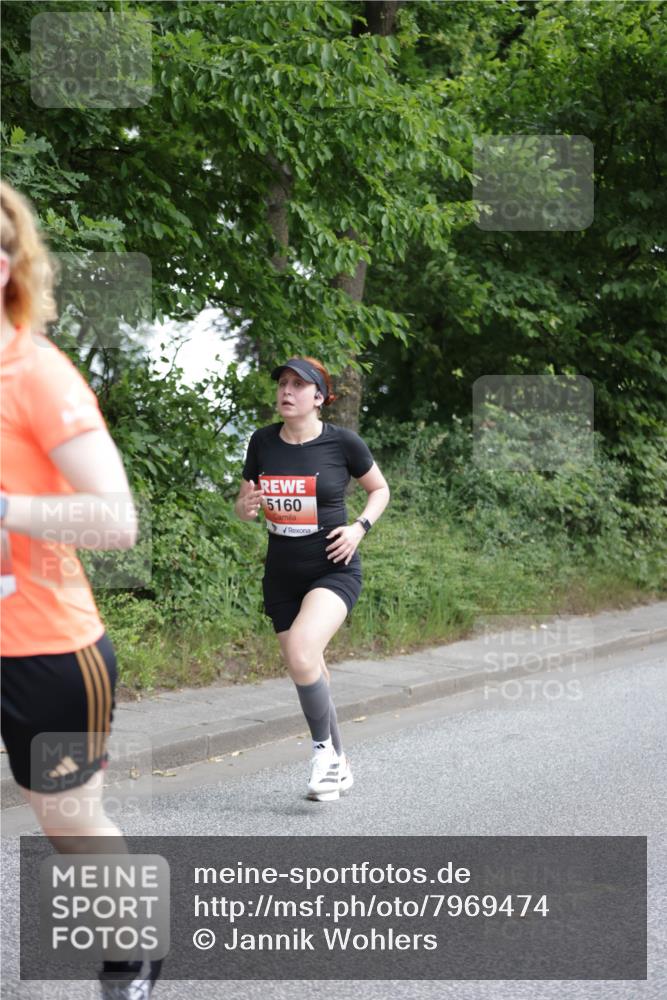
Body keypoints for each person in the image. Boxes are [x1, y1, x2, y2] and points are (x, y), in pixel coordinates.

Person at [0, 180, 161, 998]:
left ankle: (133, 944)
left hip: (45, 649)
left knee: (66, 821)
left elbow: (115, 518)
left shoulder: (38, 375)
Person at [235, 357, 390, 801]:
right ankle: (339, 765)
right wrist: (244, 509)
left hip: (332, 568)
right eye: (282, 383)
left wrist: (360, 528)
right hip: (281, 575)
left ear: (318, 398)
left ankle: (323, 754)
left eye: (298, 385)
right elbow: (244, 502)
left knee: (304, 651)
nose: (286, 391)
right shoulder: (262, 442)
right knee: (310, 667)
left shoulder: (343, 443)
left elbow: (380, 490)